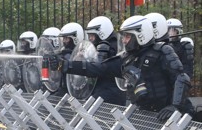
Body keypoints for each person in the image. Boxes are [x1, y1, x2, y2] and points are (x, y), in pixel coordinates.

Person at [53, 15, 193, 121]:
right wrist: (64, 65)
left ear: (140, 34)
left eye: (127, 36)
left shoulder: (162, 51)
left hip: (175, 116)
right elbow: (97, 68)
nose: (124, 40)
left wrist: (175, 106)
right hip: (147, 115)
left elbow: (182, 77)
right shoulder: (127, 58)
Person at [84, 16, 126, 105]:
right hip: (102, 90)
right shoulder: (100, 47)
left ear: (102, 33)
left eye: (92, 35)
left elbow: (97, 68)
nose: (90, 39)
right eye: (89, 35)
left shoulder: (110, 47)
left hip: (110, 92)